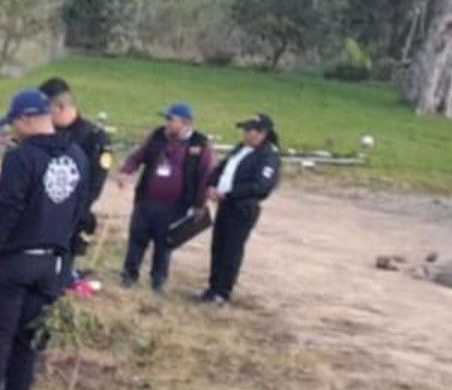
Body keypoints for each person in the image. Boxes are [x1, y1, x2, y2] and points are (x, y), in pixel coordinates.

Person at [0, 89, 88, 390]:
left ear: (27, 118)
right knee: (28, 344)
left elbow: (6, 210)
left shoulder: (21, 158)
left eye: (14, 123)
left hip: (14, 262)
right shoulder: (77, 155)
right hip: (53, 266)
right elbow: (80, 212)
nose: (13, 131)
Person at [115, 103, 213, 293]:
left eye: (171, 119)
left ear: (185, 123)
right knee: (137, 239)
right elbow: (138, 156)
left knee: (164, 244)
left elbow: (205, 176)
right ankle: (129, 275)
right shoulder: (157, 136)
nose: (166, 123)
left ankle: (158, 281)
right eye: (166, 119)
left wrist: (199, 204)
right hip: (146, 201)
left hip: (175, 205)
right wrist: (126, 171)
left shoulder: (200, 144)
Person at [201, 113, 282, 304]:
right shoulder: (240, 149)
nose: (245, 134)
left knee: (232, 249)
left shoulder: (268, 155)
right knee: (218, 246)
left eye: (249, 130)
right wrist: (211, 184)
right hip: (225, 204)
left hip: (242, 207)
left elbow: (261, 186)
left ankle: (222, 292)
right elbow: (221, 169)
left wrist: (230, 193)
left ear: (261, 133)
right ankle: (212, 288)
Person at [39, 77, 110, 268]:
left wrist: (68, 212)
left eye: (46, 109)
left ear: (60, 107)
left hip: (70, 217)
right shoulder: (46, 132)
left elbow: (94, 186)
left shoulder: (93, 138)